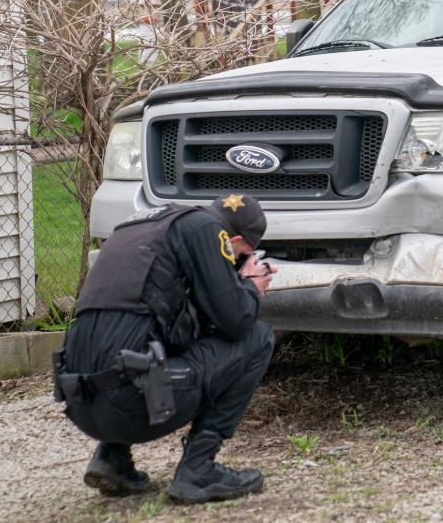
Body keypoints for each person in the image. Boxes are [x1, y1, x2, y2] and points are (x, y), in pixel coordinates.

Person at [53, 193, 277, 505]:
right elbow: (236, 321)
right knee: (258, 338)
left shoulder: (140, 226)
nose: (234, 262)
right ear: (234, 239)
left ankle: (112, 457)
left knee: (136, 343)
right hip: (130, 406)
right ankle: (198, 469)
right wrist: (251, 288)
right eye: (240, 255)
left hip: (80, 406)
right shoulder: (207, 231)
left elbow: (166, 323)